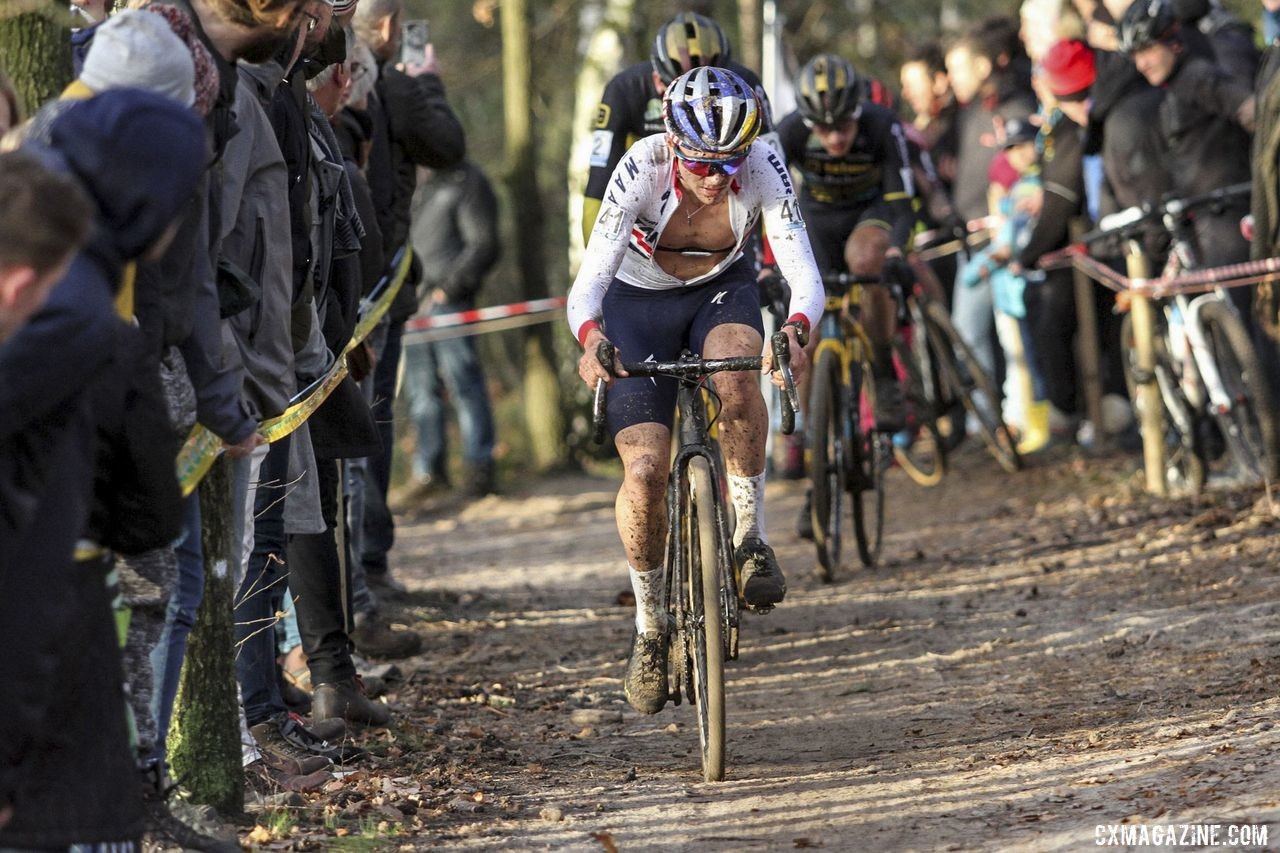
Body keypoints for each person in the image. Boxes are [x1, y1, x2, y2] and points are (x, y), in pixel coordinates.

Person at [568, 67, 822, 715]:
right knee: (647, 471)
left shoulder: (764, 161)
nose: (717, 177)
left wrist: (795, 328)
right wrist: (593, 338)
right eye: (703, 163)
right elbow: (588, 282)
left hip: (720, 290)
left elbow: (803, 273)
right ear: (674, 146)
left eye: (729, 163)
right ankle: (650, 629)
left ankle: (748, 535)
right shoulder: (641, 164)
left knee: (739, 373)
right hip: (636, 302)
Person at [581, 11, 773, 246]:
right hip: (647, 205)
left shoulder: (747, 86)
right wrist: (594, 258)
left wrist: (769, 262)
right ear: (657, 77)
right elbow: (599, 183)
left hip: (727, 208)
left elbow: (771, 174)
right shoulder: (624, 89)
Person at [400, 159, 501, 501]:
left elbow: (484, 242)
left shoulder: (465, 180)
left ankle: (479, 469)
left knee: (464, 383)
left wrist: (450, 287)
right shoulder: (412, 183)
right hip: (414, 304)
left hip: (449, 303)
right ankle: (429, 473)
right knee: (421, 391)